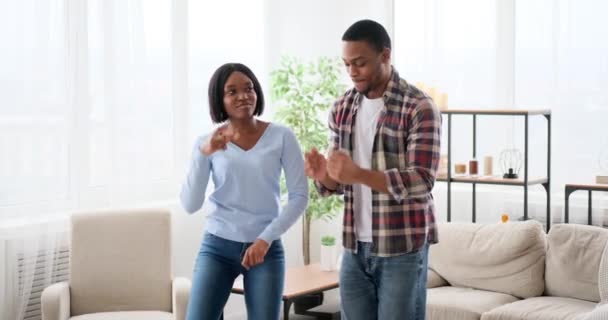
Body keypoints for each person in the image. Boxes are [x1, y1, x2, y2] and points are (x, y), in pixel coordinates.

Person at [304, 20, 441, 320]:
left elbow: (421, 180)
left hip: (401, 247)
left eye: (360, 63)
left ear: (385, 55)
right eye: (346, 64)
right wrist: (322, 174)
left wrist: (358, 174)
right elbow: (338, 182)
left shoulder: (419, 107)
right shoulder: (342, 107)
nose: (352, 71)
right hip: (354, 246)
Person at [180, 63, 309, 320]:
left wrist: (265, 239)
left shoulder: (282, 136)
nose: (243, 96)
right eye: (232, 91)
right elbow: (190, 204)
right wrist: (203, 154)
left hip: (265, 249)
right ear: (220, 99)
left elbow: (299, 196)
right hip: (217, 246)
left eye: (249, 88)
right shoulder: (206, 143)